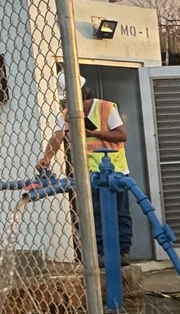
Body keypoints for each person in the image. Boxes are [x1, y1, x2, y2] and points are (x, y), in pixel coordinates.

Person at [38, 73, 132, 264]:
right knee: (94, 213)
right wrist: (47, 157)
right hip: (89, 173)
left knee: (120, 213)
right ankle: (100, 254)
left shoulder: (105, 107)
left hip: (115, 170)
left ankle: (122, 252)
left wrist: (94, 133)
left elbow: (121, 135)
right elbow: (58, 137)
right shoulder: (66, 114)